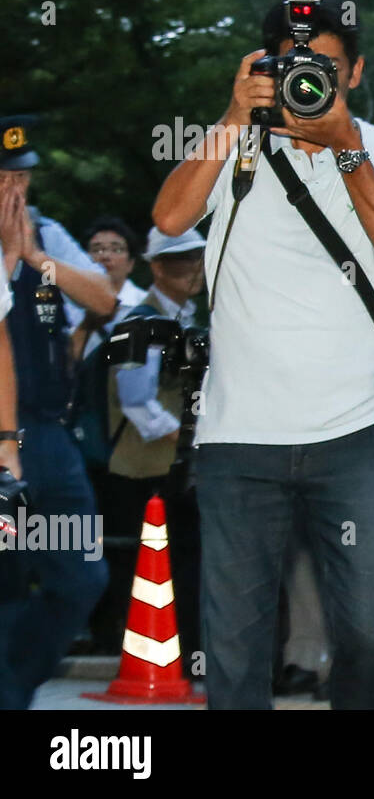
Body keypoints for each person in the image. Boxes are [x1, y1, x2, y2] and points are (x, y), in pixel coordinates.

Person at [152, 0, 374, 709]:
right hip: (239, 439)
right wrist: (232, 116)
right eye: (290, 68)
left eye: (326, 71)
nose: (309, 84)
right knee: (236, 653)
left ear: (357, 73)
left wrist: (344, 145)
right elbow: (169, 215)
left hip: (356, 433)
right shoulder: (236, 146)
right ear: (263, 68)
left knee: (373, 633)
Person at [0, 115, 115, 709]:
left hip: (48, 435)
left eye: (23, 177)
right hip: (2, 440)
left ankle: (16, 683)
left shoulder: (48, 233)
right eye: (4, 178)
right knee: (8, 582)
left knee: (83, 578)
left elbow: (104, 298)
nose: (16, 191)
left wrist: (36, 257)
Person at [91, 227, 206, 660]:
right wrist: (190, 435)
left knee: (184, 566)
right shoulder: (138, 322)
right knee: (148, 570)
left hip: (176, 469)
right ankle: (149, 659)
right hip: (144, 472)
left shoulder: (190, 317)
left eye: (196, 258)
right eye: (179, 260)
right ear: (155, 267)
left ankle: (184, 658)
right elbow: (136, 403)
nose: (190, 268)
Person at [75, 216, 147, 361]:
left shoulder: (145, 304)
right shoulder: (69, 304)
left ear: (131, 263)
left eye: (116, 249)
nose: (106, 256)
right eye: (97, 250)